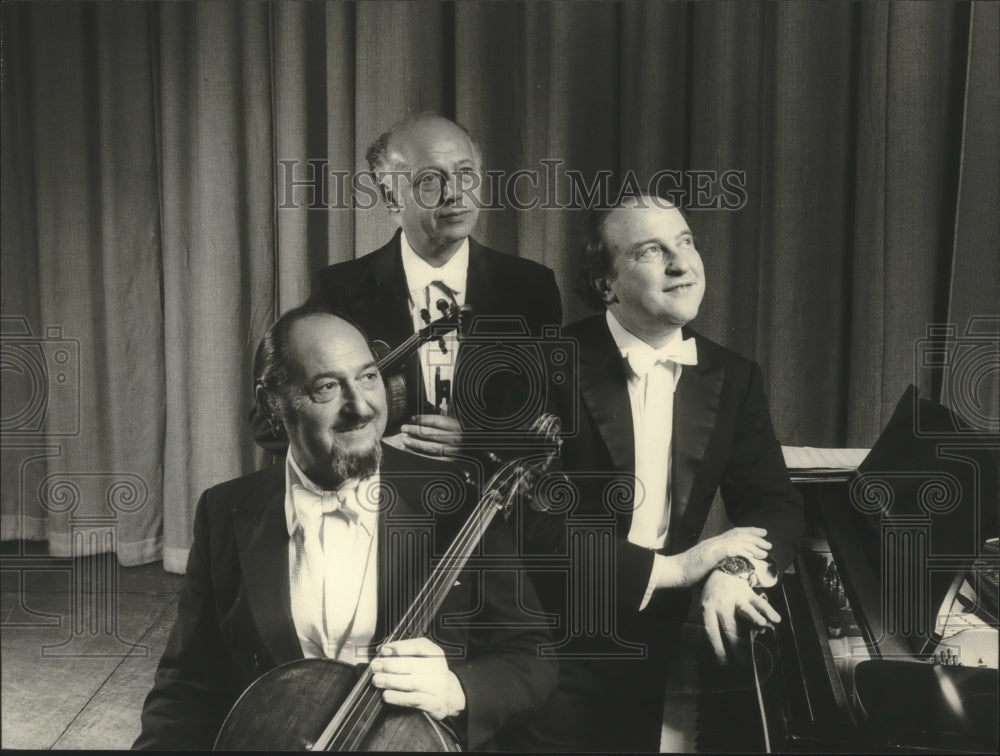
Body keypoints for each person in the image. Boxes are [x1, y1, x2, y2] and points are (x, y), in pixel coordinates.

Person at [134, 307, 557, 750]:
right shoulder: (225, 510)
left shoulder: (460, 497)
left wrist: (457, 690)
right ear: (272, 404)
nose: (361, 408)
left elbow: (532, 656)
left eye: (369, 377)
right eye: (328, 387)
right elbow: (187, 684)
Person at [508, 195, 805, 752]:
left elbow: (775, 503)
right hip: (547, 638)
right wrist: (680, 568)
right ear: (605, 285)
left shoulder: (733, 375)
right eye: (652, 251)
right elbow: (525, 523)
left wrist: (734, 569)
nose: (681, 264)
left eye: (686, 242)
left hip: (656, 640)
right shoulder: (542, 365)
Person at [305, 112, 562, 456]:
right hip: (384, 502)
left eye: (465, 173)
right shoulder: (339, 290)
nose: (454, 193)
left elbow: (557, 419)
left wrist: (479, 442)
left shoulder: (530, 287)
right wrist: (373, 448)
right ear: (391, 195)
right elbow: (274, 423)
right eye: (429, 180)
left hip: (493, 501)